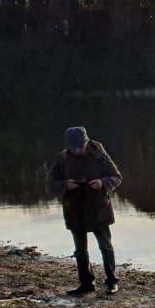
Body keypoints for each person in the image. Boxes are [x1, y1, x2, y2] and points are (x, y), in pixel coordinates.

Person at [47, 126, 123, 296]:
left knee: (106, 246)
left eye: (80, 146)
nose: (77, 150)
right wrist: (64, 185)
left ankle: (112, 281)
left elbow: (117, 177)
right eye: (74, 147)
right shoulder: (62, 158)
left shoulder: (100, 156)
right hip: (74, 209)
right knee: (80, 249)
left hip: (98, 208)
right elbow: (51, 183)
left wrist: (103, 183)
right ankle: (86, 283)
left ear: (86, 142)